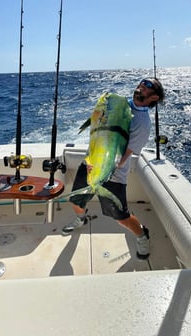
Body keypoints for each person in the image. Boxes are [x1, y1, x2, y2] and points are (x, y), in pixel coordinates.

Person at [61, 78, 165, 260]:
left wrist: (105, 170)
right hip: (90, 164)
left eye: (148, 85)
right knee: (76, 202)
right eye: (142, 82)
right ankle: (81, 218)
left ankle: (142, 235)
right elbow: (95, 126)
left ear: (154, 97)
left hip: (114, 175)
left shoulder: (142, 123)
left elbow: (127, 155)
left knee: (120, 217)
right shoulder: (119, 104)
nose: (141, 85)